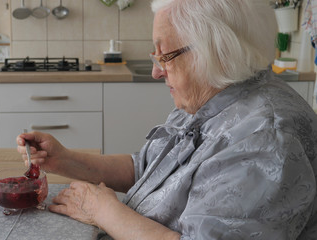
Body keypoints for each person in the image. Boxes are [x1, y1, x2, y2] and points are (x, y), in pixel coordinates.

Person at [17, 0, 317, 239]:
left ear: (217, 52)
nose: (156, 72)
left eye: (166, 57)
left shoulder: (265, 141)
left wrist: (105, 212)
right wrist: (64, 160)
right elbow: (146, 169)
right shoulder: (212, 95)